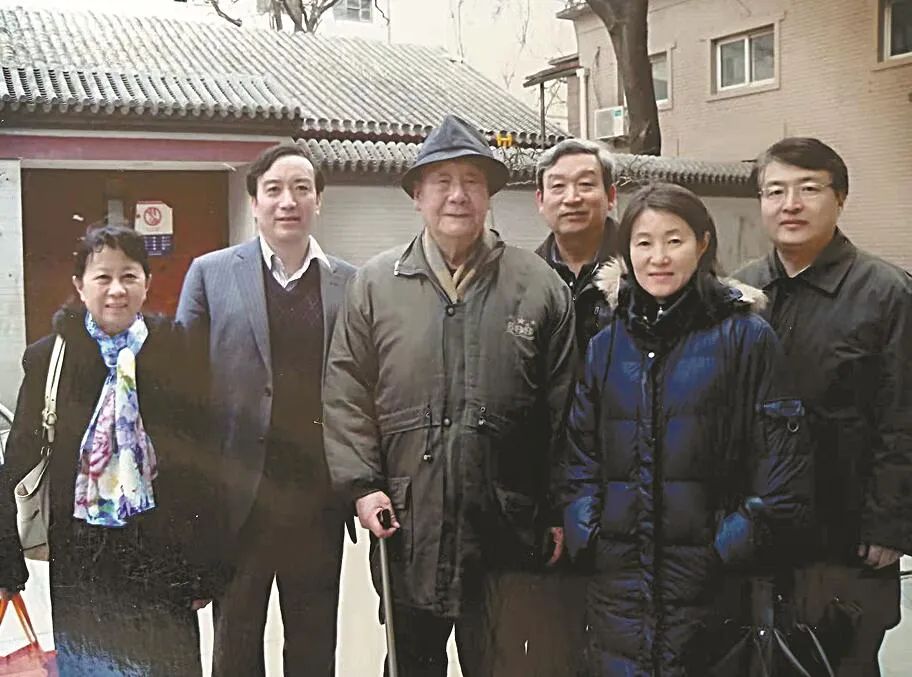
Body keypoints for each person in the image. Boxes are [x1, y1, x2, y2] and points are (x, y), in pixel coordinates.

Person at [322, 114, 576, 676]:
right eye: (442, 181)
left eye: (472, 181)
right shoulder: (375, 285)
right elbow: (346, 393)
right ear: (417, 195)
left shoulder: (538, 286)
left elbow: (563, 412)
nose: (457, 195)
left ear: (490, 195)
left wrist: (559, 507)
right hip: (409, 523)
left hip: (506, 525)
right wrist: (363, 487)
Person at [562, 183, 811, 675]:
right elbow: (580, 452)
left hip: (712, 585)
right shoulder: (607, 345)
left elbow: (782, 462)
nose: (658, 257)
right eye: (644, 242)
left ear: (703, 244)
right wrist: (586, 529)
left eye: (674, 240)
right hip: (619, 585)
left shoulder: (745, 336)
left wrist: (731, 543)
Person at [176, 144, 356, 676]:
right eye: (273, 190)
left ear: (319, 200)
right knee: (235, 647)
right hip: (238, 500)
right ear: (254, 202)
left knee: (313, 647)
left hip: (316, 499)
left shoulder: (350, 283)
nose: (288, 202)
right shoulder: (210, 274)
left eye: (301, 189)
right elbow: (184, 391)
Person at [0, 225, 213, 675]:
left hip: (161, 558)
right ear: (80, 285)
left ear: (147, 283)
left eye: (129, 276)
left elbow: (202, 465)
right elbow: (17, 459)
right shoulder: (50, 358)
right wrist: (5, 558)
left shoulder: (176, 351)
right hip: (82, 562)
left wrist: (203, 566)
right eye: (103, 277)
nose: (117, 290)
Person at [734, 137, 912, 676]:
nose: (790, 204)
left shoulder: (887, 293)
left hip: (847, 535)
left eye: (808, 189)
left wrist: (888, 524)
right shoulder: (740, 291)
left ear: (840, 198)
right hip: (757, 533)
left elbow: (902, 415)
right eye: (775, 191)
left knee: (841, 663)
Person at [536, 138, 620, 355]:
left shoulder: (643, 267)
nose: (572, 198)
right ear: (541, 201)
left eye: (586, 184)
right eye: (558, 186)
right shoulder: (527, 278)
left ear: (611, 197)